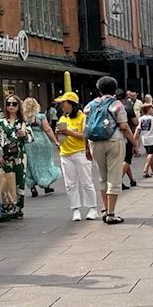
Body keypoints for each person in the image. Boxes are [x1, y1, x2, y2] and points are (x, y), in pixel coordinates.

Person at [84, 76, 139, 225]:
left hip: (94, 142)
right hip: (114, 141)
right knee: (114, 177)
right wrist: (134, 143)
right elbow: (124, 126)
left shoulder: (90, 105)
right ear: (114, 89)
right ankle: (111, 213)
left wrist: (86, 148)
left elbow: (86, 129)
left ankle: (104, 209)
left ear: (99, 89)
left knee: (102, 177)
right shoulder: (117, 104)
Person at [53, 90, 98, 222]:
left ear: (71, 103)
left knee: (86, 182)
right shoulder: (63, 118)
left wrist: (69, 133)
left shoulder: (82, 117)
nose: (62, 105)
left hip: (80, 152)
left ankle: (92, 208)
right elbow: (61, 136)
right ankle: (75, 209)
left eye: (64, 102)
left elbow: (85, 135)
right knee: (70, 184)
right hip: (65, 153)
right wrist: (58, 134)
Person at [0, 95, 32, 221]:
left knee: (19, 182)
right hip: (4, 156)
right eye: (8, 103)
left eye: (14, 104)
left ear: (18, 106)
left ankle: (18, 209)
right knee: (5, 182)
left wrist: (24, 134)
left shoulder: (23, 122)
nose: (11, 106)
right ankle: (7, 209)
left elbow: (31, 139)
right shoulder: (0, 122)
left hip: (19, 156)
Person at [21, 98, 60, 197]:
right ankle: (46, 185)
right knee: (45, 163)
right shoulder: (40, 116)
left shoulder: (22, 118)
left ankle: (32, 187)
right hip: (42, 142)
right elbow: (47, 129)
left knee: (30, 164)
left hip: (28, 143)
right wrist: (55, 141)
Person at [137, 102, 153, 177]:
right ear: (149, 110)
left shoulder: (140, 119)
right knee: (151, 153)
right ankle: (146, 168)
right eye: (151, 109)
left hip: (144, 139)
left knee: (149, 153)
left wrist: (134, 138)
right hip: (152, 138)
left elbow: (138, 129)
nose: (152, 110)